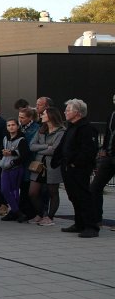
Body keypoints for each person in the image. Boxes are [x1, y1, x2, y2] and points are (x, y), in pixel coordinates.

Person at [56, 99, 100, 238]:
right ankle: (79, 223)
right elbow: (63, 145)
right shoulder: (71, 127)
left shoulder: (87, 128)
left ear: (78, 112)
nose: (65, 112)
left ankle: (91, 226)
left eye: (68, 110)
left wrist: (75, 163)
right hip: (68, 168)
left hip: (79, 168)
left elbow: (88, 150)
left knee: (83, 197)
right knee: (73, 196)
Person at [28, 106, 64, 226]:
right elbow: (32, 146)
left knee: (52, 191)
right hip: (38, 165)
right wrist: (45, 147)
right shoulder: (41, 130)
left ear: (51, 115)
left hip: (52, 165)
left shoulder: (61, 131)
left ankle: (50, 216)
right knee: (33, 192)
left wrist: (43, 148)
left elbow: (54, 150)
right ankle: (40, 214)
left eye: (44, 113)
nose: (41, 115)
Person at [0, 119, 31, 222]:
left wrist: (12, 156)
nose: (11, 127)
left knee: (13, 191)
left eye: (13, 125)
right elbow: (1, 150)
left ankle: (14, 212)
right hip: (5, 167)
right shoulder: (5, 138)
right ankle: (17, 212)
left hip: (15, 168)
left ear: (17, 126)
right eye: (8, 125)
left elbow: (25, 155)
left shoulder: (21, 139)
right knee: (4, 189)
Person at [90, 93, 115, 224]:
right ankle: (96, 218)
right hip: (109, 156)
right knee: (95, 187)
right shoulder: (112, 115)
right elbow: (108, 133)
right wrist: (104, 149)